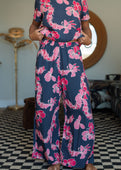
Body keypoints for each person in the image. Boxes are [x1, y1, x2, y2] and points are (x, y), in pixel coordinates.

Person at [29, 0, 96, 170]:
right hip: (47, 52)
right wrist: (33, 35)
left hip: (72, 53)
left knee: (80, 105)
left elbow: (86, 29)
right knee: (46, 106)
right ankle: (53, 159)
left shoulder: (80, 1)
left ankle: (84, 156)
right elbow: (33, 26)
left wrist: (87, 38)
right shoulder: (41, 1)